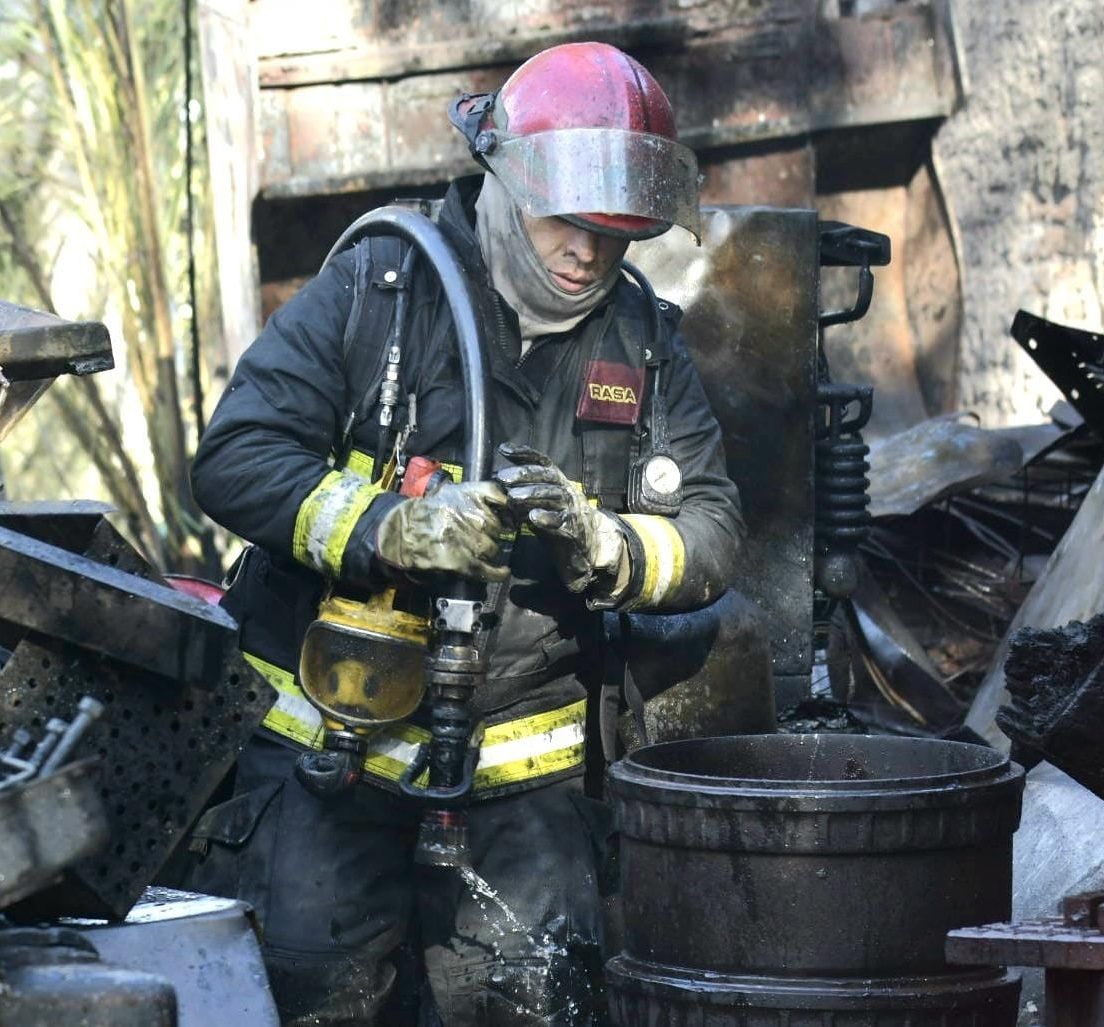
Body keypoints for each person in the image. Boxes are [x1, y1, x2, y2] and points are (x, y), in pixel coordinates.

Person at [186, 41, 743, 1026]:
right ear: (506, 178)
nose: (588, 253)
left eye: (614, 233)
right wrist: (391, 527)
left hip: (522, 785)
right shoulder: (383, 287)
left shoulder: (642, 342)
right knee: (311, 998)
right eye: (566, 220)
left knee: (538, 1003)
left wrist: (607, 546)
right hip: (329, 757)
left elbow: (712, 530)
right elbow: (234, 456)